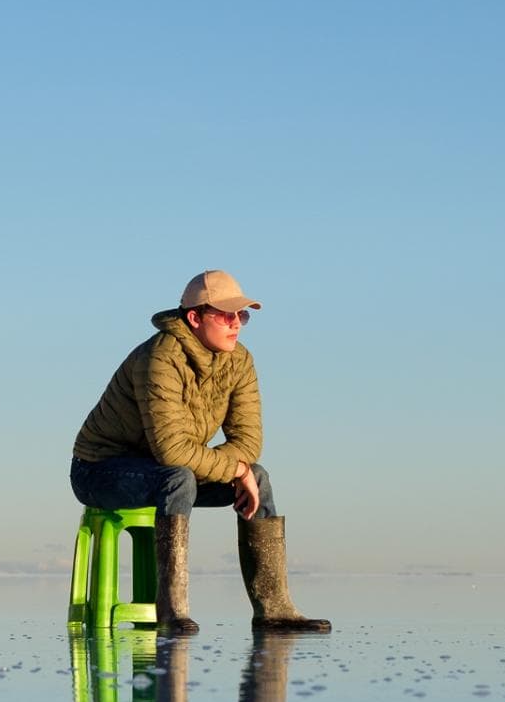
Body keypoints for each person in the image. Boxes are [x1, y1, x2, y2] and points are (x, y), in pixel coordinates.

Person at [70, 270, 330, 633]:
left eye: (243, 315)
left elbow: (248, 441)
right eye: (226, 315)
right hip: (100, 470)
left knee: (257, 475)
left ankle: (274, 610)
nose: (236, 323)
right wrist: (235, 470)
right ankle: (172, 611)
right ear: (194, 318)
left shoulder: (239, 360)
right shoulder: (159, 357)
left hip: (172, 471)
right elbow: (173, 450)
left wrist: (243, 470)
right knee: (179, 478)